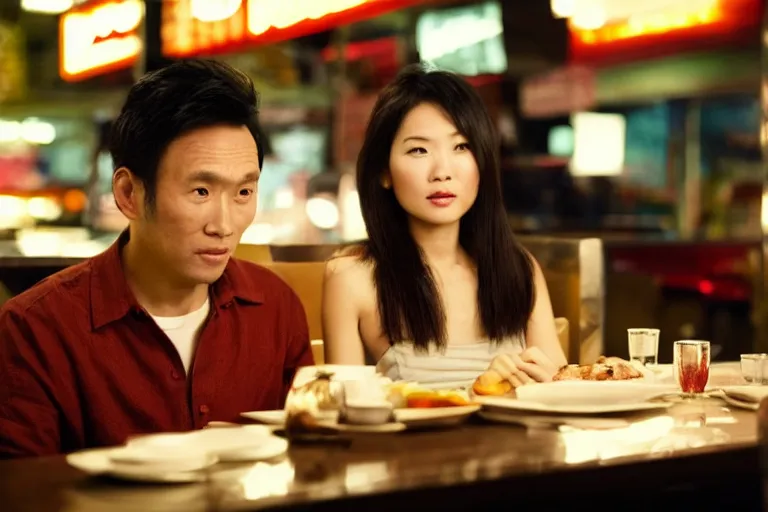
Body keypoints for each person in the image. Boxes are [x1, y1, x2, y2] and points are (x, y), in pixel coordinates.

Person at [0, 59, 314, 458]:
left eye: (243, 193)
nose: (224, 224)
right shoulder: (37, 329)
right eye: (201, 191)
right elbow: (22, 493)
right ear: (129, 193)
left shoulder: (275, 307)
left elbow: (307, 461)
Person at [322, 65, 567, 389]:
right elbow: (345, 416)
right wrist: (483, 389)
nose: (442, 171)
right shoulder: (353, 279)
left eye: (461, 147)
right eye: (419, 150)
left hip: (523, 440)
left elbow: (564, 391)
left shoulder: (518, 270)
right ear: (384, 171)